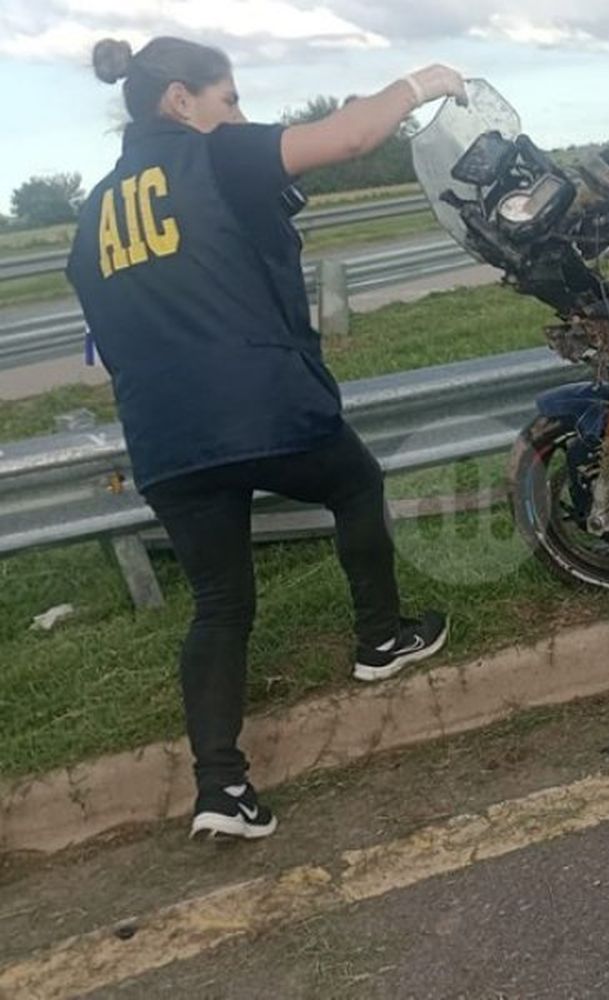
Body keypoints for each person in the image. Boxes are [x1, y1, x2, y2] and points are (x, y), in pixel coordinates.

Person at [67, 37, 469, 842]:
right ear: (181, 101)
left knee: (219, 603)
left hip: (163, 435)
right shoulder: (216, 158)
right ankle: (381, 637)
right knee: (353, 483)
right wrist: (425, 80)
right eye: (231, 99)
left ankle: (221, 788)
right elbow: (351, 136)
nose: (239, 115)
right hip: (259, 406)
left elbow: (105, 344)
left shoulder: (91, 217)